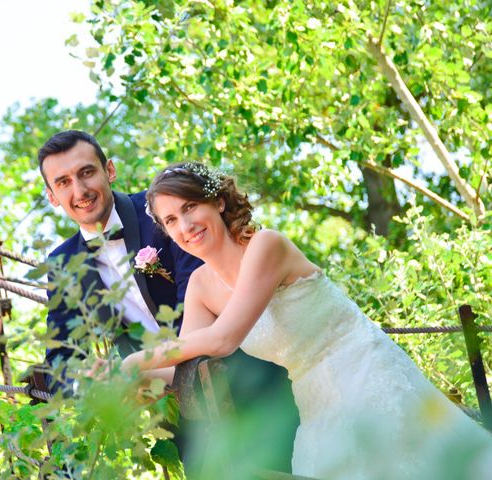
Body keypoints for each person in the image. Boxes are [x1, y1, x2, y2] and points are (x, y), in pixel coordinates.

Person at [121, 162, 492, 479]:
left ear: (217, 201)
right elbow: (190, 364)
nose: (185, 225)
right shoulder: (201, 284)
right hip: (316, 404)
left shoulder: (266, 245)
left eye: (190, 207)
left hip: (367, 373)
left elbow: (222, 340)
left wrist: (139, 358)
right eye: (171, 220)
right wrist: (125, 378)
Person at [39, 131, 299, 472]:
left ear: (110, 171)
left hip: (242, 378)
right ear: (52, 196)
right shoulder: (62, 264)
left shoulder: (164, 214)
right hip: (174, 406)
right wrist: (87, 387)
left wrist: (135, 368)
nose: (80, 190)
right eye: (63, 182)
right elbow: (62, 352)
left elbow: (201, 296)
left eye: (87, 172)